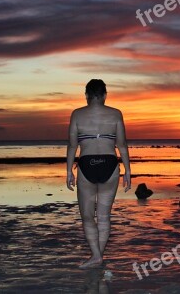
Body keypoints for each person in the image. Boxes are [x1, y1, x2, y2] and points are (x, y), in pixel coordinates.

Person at [66, 79, 132, 269]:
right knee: (104, 216)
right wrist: (128, 170)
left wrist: (69, 170)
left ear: (86, 95)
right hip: (109, 166)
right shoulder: (116, 114)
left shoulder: (77, 114)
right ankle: (98, 255)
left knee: (87, 216)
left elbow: (72, 145)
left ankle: (96, 255)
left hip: (87, 165)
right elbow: (122, 145)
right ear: (104, 95)